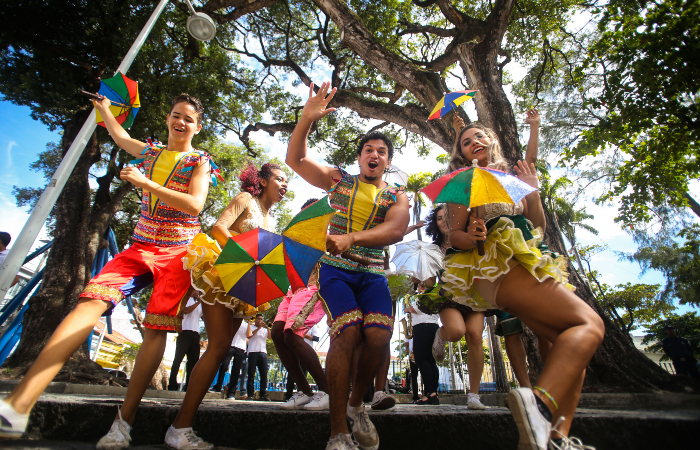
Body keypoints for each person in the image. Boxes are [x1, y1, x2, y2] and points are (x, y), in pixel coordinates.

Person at [0, 93, 217, 449]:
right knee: (89, 302)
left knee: (155, 329)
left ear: (198, 125)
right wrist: (103, 108)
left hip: (178, 251)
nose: (181, 122)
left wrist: (145, 184)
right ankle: (19, 404)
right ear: (167, 118)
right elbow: (119, 136)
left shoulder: (199, 160)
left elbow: (195, 204)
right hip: (140, 245)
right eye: (176, 115)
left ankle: (124, 421)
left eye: (189, 119)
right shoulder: (149, 153)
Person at [440, 110, 604, 450]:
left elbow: (538, 224)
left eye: (478, 137)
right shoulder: (463, 182)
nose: (473, 143)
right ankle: (539, 406)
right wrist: (471, 234)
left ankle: (553, 439)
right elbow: (454, 236)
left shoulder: (514, 177)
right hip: (496, 263)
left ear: (492, 141)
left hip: (524, 260)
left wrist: (533, 191)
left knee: (569, 347)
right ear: (461, 152)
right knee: (590, 325)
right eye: (465, 141)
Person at [286, 82, 410, 450]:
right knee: (348, 330)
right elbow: (296, 160)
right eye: (368, 150)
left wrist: (353, 238)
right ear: (360, 159)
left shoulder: (396, 194)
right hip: (334, 270)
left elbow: (397, 228)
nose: (374, 155)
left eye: (382, 151)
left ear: (388, 161)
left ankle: (357, 405)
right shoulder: (338, 180)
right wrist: (305, 121)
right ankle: (337, 431)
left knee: (378, 336)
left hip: (372, 272)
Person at [165, 162, 286, 447]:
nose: (284, 186)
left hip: (242, 284)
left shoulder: (270, 219)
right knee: (219, 346)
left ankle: (183, 423)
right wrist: (247, 249)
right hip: (222, 274)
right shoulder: (246, 199)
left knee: (220, 351)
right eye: (280, 179)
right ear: (264, 180)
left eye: (286, 182)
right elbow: (218, 227)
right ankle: (179, 426)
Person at [274, 198, 330, 411]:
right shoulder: (298, 237)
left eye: (310, 212)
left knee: (292, 335)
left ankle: (327, 392)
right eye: (303, 212)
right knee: (278, 333)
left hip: (316, 287)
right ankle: (305, 392)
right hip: (295, 288)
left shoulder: (330, 235)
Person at [405, 297, 440, 405]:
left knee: (421, 358)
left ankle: (429, 392)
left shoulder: (425, 294)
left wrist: (407, 309)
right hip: (431, 325)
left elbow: (417, 309)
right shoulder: (434, 293)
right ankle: (433, 394)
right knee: (430, 360)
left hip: (422, 326)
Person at [168, 293, 204, 391]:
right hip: (185, 332)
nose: (197, 292)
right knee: (178, 359)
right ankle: (172, 385)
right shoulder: (186, 299)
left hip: (195, 333)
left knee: (193, 362)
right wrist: (200, 301)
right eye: (195, 290)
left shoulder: (199, 304)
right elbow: (186, 310)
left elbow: (203, 317)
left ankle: (189, 386)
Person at [213, 319, 251, 396]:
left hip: (240, 348)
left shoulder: (247, 324)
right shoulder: (233, 320)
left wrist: (249, 323)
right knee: (224, 365)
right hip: (230, 345)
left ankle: (231, 392)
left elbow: (248, 335)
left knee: (236, 370)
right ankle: (217, 387)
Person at [247, 314, 270, 401]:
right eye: (258, 319)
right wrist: (259, 328)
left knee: (263, 375)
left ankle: (263, 394)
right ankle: (250, 394)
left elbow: (270, 337)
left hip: (263, 352)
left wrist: (268, 328)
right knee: (251, 374)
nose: (260, 320)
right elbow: (249, 336)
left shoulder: (264, 330)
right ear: (255, 320)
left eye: (261, 319)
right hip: (253, 352)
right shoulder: (251, 328)